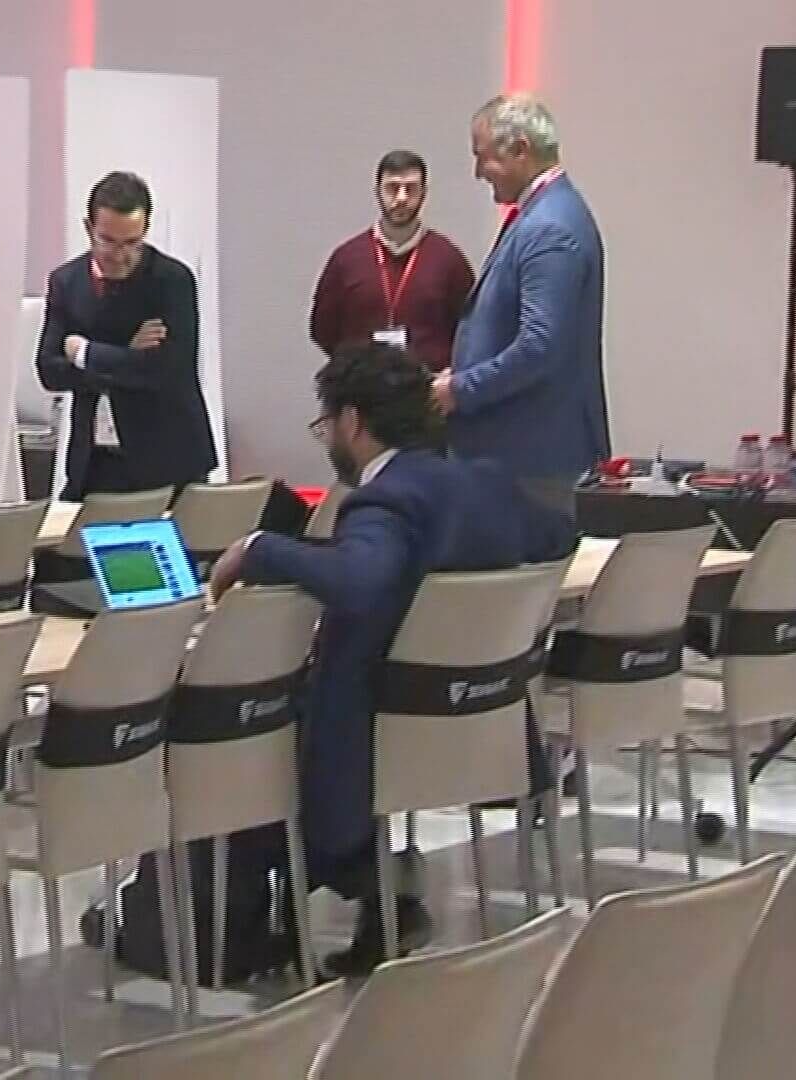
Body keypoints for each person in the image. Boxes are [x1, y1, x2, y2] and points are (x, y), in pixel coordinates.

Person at [210, 342, 576, 974]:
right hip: (481, 714)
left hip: (379, 728)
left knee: (240, 716)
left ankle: (263, 916)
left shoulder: (383, 501)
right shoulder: (484, 484)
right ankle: (364, 898)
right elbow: (557, 539)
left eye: (327, 426)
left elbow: (362, 582)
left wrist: (262, 547)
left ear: (352, 422)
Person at [440, 94, 609, 512]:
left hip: (527, 456)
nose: (479, 173)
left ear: (520, 150)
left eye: (483, 158)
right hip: (521, 452)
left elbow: (539, 348)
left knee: (521, 576)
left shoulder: (548, 227)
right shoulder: (550, 213)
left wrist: (459, 389)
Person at [36, 171, 217, 498]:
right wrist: (127, 355)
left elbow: (163, 369)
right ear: (89, 228)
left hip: (167, 458)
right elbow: (48, 370)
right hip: (95, 459)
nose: (119, 255)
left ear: (146, 230)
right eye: (108, 241)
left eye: (132, 243)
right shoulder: (67, 281)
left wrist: (85, 354)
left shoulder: (171, 281)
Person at [309, 150, 476, 374]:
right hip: (361, 395)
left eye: (411, 188)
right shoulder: (346, 258)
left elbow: (471, 330)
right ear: (377, 191)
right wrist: (353, 368)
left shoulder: (449, 260)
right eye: (392, 188)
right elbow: (322, 329)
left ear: (424, 193)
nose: (401, 198)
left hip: (428, 396)